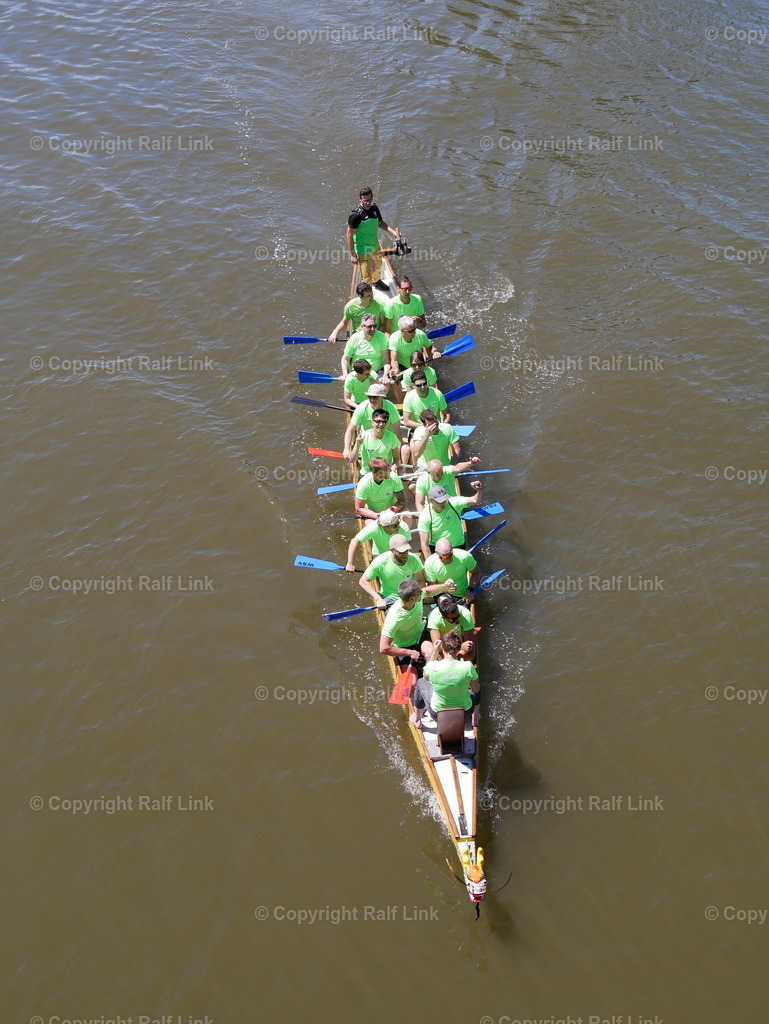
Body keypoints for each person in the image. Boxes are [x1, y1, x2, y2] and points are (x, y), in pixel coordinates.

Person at [410, 630, 480, 730]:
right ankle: (475, 718)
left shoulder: (434, 666)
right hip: (466, 712)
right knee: (477, 682)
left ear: (442, 647)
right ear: (459, 648)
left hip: (437, 714)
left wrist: (435, 651)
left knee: (421, 682)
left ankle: (417, 720)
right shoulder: (468, 666)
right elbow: (476, 689)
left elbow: (425, 675)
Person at [360, 535, 447, 607]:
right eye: (401, 552)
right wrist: (378, 599)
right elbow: (363, 581)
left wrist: (413, 595)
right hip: (391, 598)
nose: (405, 554)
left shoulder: (414, 559)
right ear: (392, 550)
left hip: (411, 597)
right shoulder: (380, 561)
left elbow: (421, 581)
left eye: (406, 551)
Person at [347, 187, 401, 291]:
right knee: (366, 272)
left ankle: (376, 281)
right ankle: (368, 289)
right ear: (360, 199)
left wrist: (394, 232)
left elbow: (381, 223)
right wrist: (352, 254)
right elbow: (349, 235)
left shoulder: (374, 208)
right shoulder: (355, 216)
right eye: (365, 200)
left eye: (370, 200)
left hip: (375, 245)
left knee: (379, 265)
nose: (368, 203)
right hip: (362, 249)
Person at [417, 483, 483, 559]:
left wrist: (480, 490)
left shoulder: (453, 503)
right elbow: (424, 545)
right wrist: (430, 563)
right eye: (439, 501)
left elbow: (475, 500)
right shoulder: (425, 516)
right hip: (438, 551)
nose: (443, 503)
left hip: (458, 547)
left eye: (444, 499)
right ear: (430, 500)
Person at [379, 579, 432, 667]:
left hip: (420, 636)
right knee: (413, 676)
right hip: (403, 647)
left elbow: (428, 591)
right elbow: (383, 648)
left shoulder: (418, 598)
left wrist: (445, 586)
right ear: (411, 599)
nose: (422, 592)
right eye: (419, 592)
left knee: (430, 653)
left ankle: (429, 673)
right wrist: (410, 653)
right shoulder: (394, 619)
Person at [343, 384, 400, 460]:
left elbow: (397, 433)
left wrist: (397, 455)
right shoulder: (361, 408)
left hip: (387, 441)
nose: (372, 399)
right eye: (370, 397)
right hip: (367, 441)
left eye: (375, 397)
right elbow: (350, 430)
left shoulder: (390, 407)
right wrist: (346, 449)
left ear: (382, 397)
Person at [345, 509, 413, 569]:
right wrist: (350, 563)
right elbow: (354, 541)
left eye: (398, 523)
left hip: (398, 554)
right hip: (380, 555)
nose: (398, 527)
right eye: (394, 526)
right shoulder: (374, 528)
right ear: (384, 526)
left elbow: (407, 547)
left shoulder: (403, 527)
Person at [413, 456, 480, 511]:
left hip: (452, 506)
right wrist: (424, 518)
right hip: (434, 510)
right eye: (437, 474)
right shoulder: (422, 480)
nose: (440, 476)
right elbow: (419, 503)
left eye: (441, 473)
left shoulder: (446, 471)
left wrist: (470, 463)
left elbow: (457, 468)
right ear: (428, 472)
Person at [340, 314, 391, 378]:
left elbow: (387, 361)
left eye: (374, 326)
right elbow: (345, 358)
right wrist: (345, 374)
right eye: (369, 326)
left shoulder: (382, 337)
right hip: (359, 372)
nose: (372, 329)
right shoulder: (354, 339)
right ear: (362, 326)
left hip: (377, 372)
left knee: (386, 383)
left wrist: (385, 375)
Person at [427, 595, 476, 659]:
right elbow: (438, 648)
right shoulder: (434, 618)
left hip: (460, 639)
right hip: (444, 642)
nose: (458, 619)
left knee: (470, 650)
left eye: (458, 616)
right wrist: (460, 647)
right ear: (443, 617)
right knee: (439, 655)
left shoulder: (465, 614)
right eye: (454, 619)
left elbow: (470, 643)